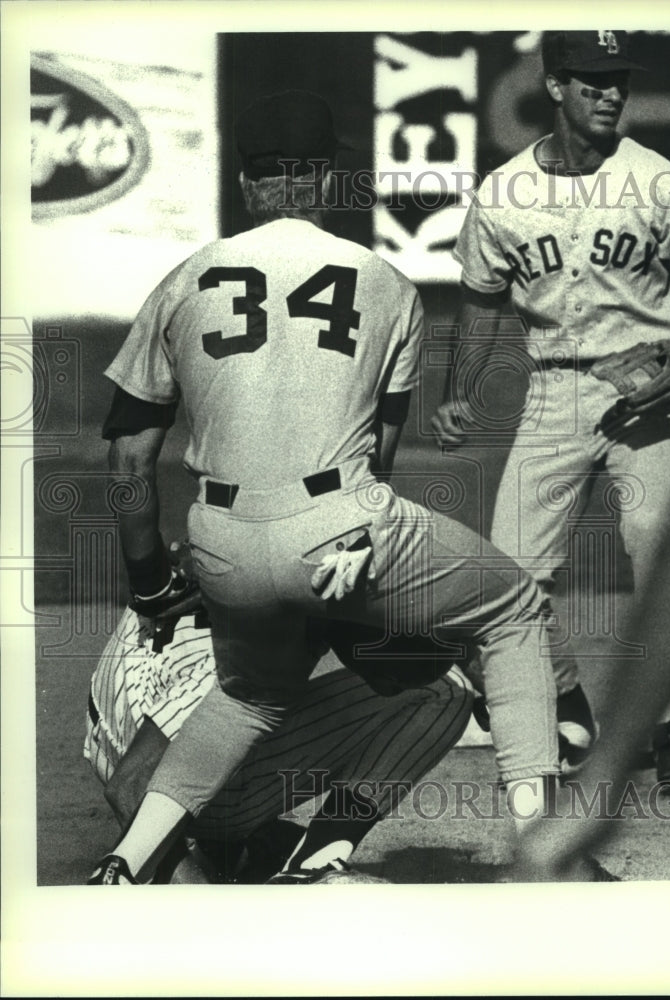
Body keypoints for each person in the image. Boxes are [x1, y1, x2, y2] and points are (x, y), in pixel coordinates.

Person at [88, 89, 563, 886]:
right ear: (321, 180)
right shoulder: (385, 283)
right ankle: (546, 849)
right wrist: (347, 585)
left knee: (248, 695)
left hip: (220, 539)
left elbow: (130, 463)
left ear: (247, 184)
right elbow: (375, 456)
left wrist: (149, 584)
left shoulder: (182, 279)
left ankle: (125, 865)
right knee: (512, 608)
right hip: (339, 521)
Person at [432, 31, 670, 790]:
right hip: (553, 390)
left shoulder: (656, 180)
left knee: (655, 550)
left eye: (619, 80)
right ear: (555, 86)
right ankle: (561, 707)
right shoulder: (502, 193)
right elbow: (479, 299)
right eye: (593, 81)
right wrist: (460, 387)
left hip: (648, 391)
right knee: (509, 576)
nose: (612, 93)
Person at [85, 598, 475, 884]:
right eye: (395, 672)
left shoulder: (262, 579)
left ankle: (261, 850)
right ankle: (298, 863)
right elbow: (128, 786)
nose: (394, 684)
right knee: (446, 691)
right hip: (160, 797)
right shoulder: (249, 651)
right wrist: (202, 907)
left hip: (157, 752)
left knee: (441, 679)